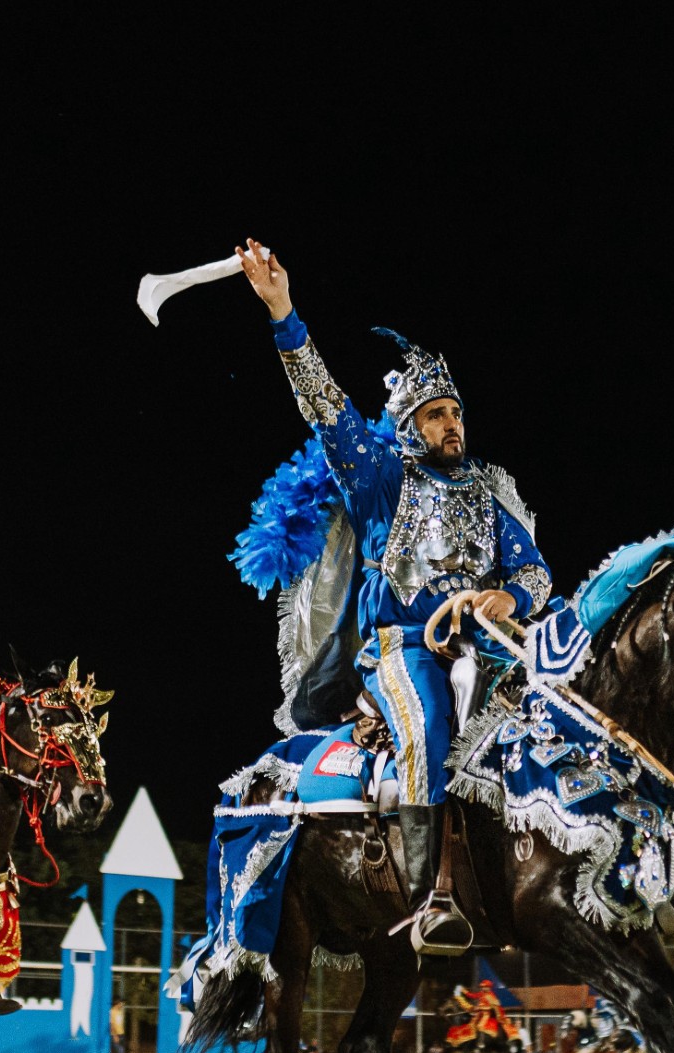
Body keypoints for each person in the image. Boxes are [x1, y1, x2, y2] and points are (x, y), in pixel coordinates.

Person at [237, 240, 552, 953]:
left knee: (562, 718)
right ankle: (429, 898)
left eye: (456, 413)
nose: (452, 425)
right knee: (429, 727)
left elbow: (534, 574)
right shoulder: (381, 478)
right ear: (411, 426)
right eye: (437, 414)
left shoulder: (488, 493)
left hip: (491, 650)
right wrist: (282, 310)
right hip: (403, 650)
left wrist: (510, 600)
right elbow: (325, 405)